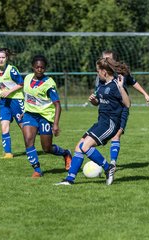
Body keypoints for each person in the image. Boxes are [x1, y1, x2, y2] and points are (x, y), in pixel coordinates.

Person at [56, 57, 131, 185]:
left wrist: (121, 87)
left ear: (104, 72)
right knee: (78, 147)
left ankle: (108, 168)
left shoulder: (115, 85)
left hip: (110, 124)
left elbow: (127, 104)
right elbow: (100, 103)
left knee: (85, 146)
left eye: (98, 71)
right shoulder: (102, 85)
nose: (97, 74)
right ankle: (69, 179)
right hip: (101, 122)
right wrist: (94, 101)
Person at [21, 55, 72, 178]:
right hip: (30, 115)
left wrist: (55, 124)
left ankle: (66, 153)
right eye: (37, 67)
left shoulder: (49, 83)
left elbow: (58, 105)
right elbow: (28, 96)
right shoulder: (27, 78)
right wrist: (25, 110)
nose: (39, 69)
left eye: (42, 67)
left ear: (45, 69)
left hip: (45, 117)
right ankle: (37, 170)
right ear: (33, 67)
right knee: (28, 140)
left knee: (47, 148)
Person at [98, 50, 149, 166]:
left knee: (117, 134)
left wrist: (145, 94)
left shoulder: (122, 73)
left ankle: (112, 163)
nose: (105, 61)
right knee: (105, 137)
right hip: (108, 111)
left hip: (122, 109)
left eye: (108, 59)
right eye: (104, 59)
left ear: (114, 60)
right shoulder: (102, 75)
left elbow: (133, 82)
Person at [0, 48, 25, 159]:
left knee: (24, 127)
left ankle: (31, 147)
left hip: (16, 101)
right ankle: (8, 153)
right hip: (4, 103)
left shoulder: (11, 70)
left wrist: (9, 92)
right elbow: (0, 88)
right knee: (4, 126)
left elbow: (21, 83)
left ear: (7, 58)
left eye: (3, 57)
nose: (1, 60)